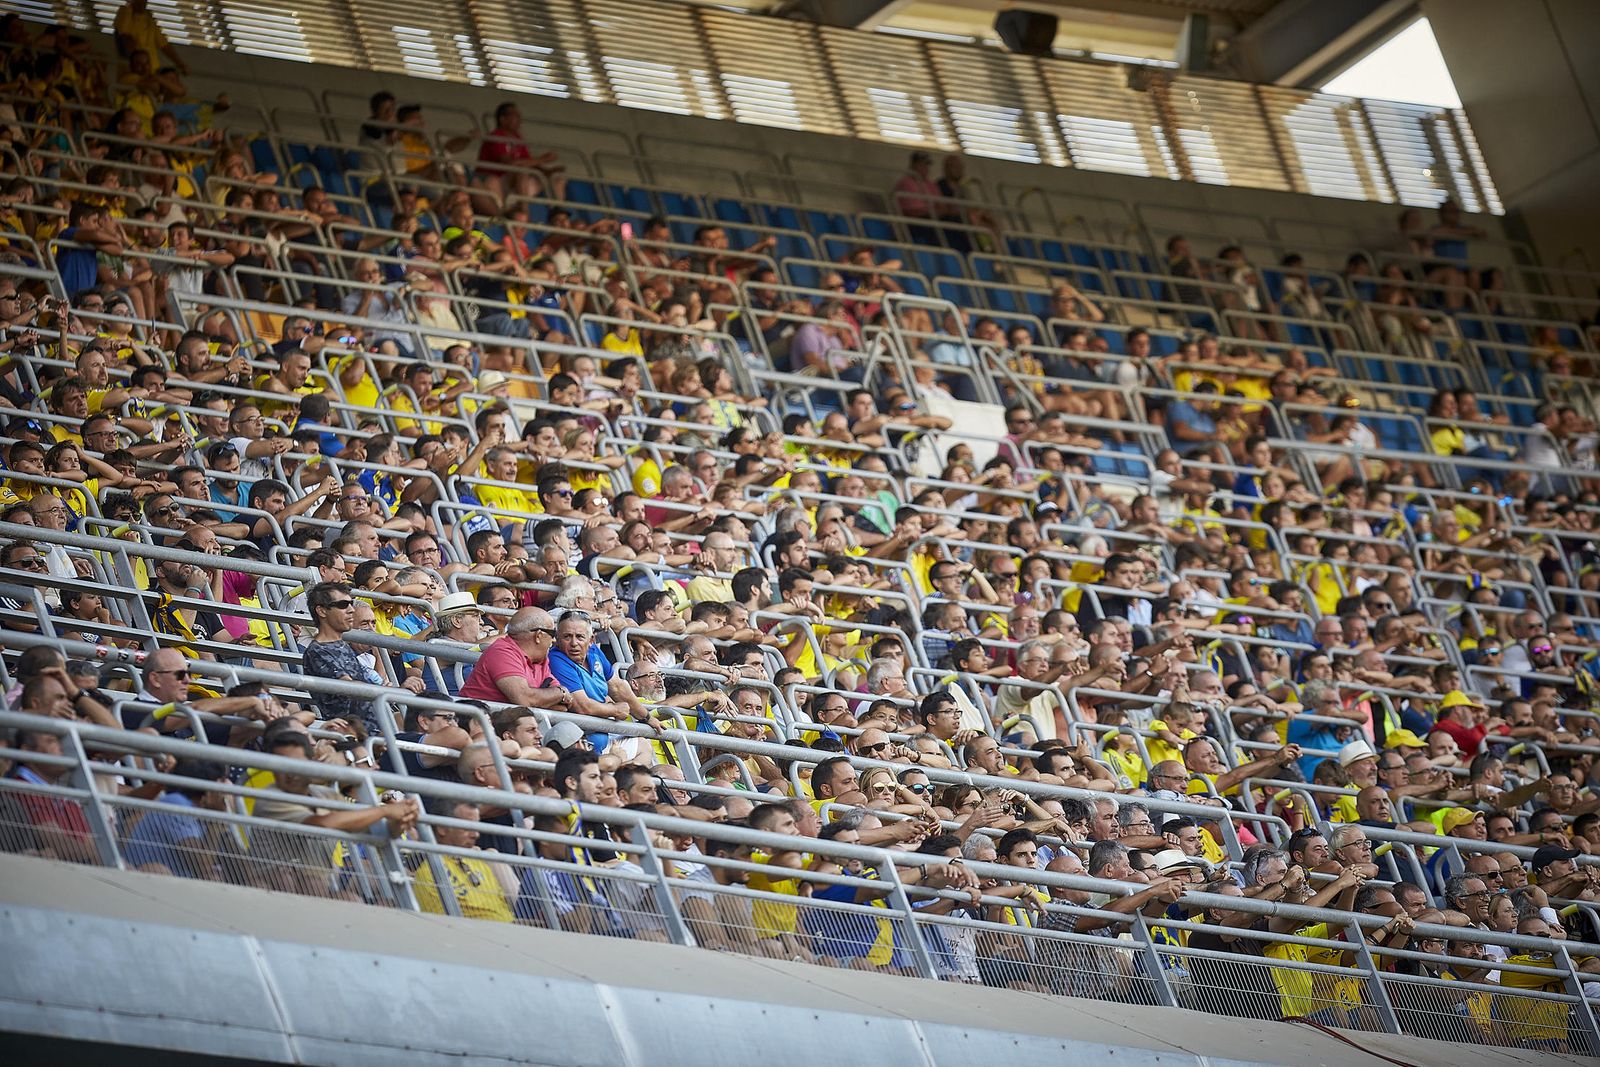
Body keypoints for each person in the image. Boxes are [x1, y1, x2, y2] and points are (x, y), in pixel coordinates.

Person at [457, 606, 574, 710]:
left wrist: (546, 697)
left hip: (513, 727)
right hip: (478, 726)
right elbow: (525, 699)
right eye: (553, 634)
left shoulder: (541, 659)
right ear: (538, 635)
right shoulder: (501, 652)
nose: (554, 640)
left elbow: (562, 707)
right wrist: (560, 693)